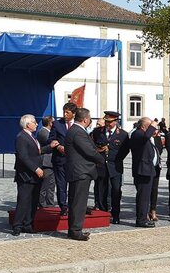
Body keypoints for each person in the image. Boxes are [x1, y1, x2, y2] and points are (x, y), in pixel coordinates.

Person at [65, 108, 104, 241]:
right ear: (85, 119)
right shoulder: (77, 132)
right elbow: (89, 151)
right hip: (81, 171)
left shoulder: (76, 130)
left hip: (80, 171)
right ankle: (75, 231)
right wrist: (101, 159)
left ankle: (74, 229)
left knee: (77, 201)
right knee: (78, 202)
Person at [11, 114, 55, 236]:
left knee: (33, 201)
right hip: (26, 175)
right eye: (34, 122)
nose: (36, 124)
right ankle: (17, 225)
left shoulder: (32, 137)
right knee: (23, 200)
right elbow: (23, 157)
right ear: (27, 124)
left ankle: (28, 224)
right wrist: (36, 169)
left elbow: (37, 152)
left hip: (35, 176)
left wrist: (50, 147)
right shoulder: (21, 137)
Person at [92, 111, 130, 224]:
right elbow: (92, 145)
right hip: (101, 166)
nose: (108, 124)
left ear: (116, 121)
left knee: (116, 191)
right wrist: (97, 152)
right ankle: (103, 213)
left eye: (110, 122)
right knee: (101, 190)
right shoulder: (97, 132)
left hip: (115, 167)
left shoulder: (122, 134)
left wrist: (117, 159)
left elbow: (125, 150)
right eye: (106, 121)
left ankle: (116, 214)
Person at [129, 117, 158, 222]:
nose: (153, 128)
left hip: (148, 169)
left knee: (145, 196)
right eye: (149, 125)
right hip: (142, 170)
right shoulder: (137, 133)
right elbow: (146, 136)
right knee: (143, 196)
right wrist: (153, 126)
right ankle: (141, 219)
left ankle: (143, 217)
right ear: (143, 126)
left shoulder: (143, 134)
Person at [51, 102, 77, 217]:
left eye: (68, 112)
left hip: (74, 161)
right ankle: (63, 206)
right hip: (60, 160)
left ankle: (73, 205)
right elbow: (50, 139)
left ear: (74, 114)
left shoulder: (77, 125)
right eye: (64, 112)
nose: (65, 114)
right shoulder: (57, 124)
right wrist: (57, 146)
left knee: (73, 184)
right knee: (61, 184)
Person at [36, 116, 57, 208]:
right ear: (50, 123)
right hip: (46, 161)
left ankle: (50, 203)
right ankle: (42, 203)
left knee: (51, 184)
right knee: (45, 185)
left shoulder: (48, 132)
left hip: (51, 162)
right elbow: (51, 143)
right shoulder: (43, 132)